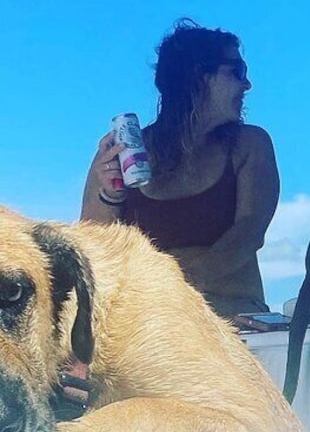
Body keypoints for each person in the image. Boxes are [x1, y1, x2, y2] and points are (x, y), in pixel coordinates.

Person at [81, 19, 280, 318]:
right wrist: (109, 194)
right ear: (199, 76)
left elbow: (249, 233)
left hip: (230, 321)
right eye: (237, 72)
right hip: (150, 330)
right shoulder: (125, 153)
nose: (247, 84)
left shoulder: (249, 144)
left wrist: (171, 284)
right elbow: (95, 246)